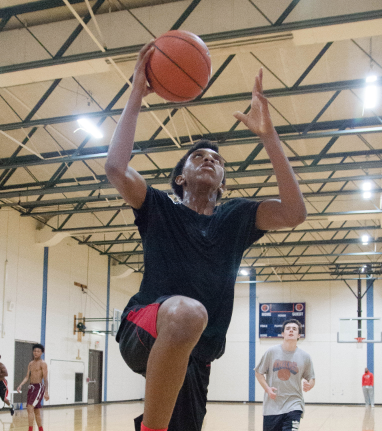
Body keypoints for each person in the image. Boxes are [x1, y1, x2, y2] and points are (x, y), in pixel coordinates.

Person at [105, 41, 307, 431]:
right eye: (198, 156)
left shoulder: (237, 217)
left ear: (223, 184)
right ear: (180, 178)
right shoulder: (159, 207)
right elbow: (116, 167)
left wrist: (269, 137)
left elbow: (295, 213)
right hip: (146, 326)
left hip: (197, 352)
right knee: (187, 313)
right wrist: (135, 94)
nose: (209, 159)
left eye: (216, 160)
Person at [255, 319, 315, 431]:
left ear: (299, 335)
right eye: (288, 329)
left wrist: (310, 384)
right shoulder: (271, 352)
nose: (291, 330)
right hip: (272, 406)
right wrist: (267, 389)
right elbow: (258, 372)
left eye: (294, 329)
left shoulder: (305, 356)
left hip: (294, 404)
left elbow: (311, 377)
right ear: (283, 334)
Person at [17, 344, 49, 431]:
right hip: (31, 387)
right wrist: (21, 385)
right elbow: (27, 377)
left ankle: (30, 429)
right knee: (36, 411)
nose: (36, 353)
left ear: (42, 352)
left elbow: (45, 378)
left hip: (39, 387)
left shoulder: (43, 364)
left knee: (29, 407)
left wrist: (46, 392)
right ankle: (41, 429)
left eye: (38, 351)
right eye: (34, 351)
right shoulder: (30, 363)